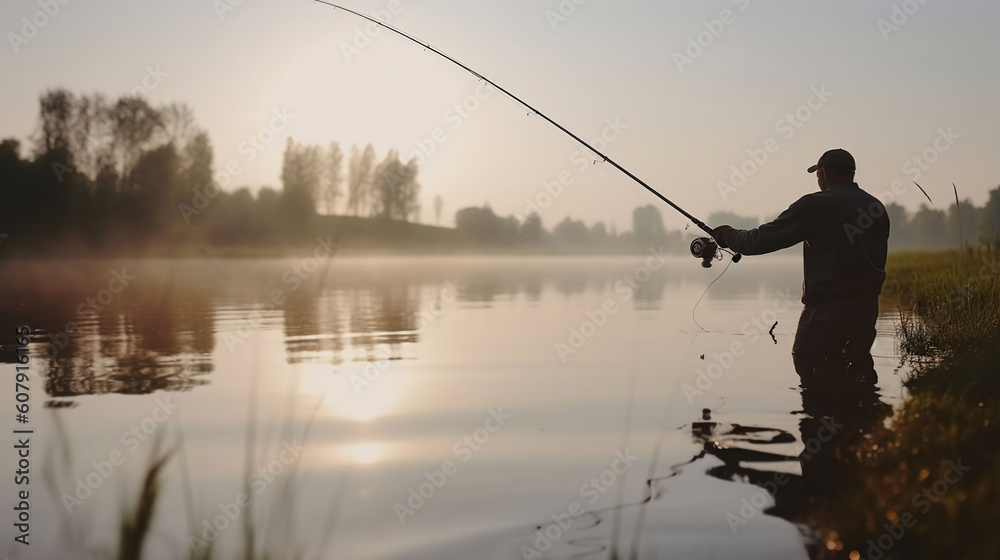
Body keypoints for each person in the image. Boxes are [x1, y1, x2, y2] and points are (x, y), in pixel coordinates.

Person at [711, 148, 890, 384]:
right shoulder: (876, 207)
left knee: (810, 369)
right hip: (866, 312)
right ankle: (858, 416)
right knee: (859, 376)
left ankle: (820, 418)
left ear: (824, 173)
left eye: (817, 174)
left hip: (826, 314)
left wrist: (725, 235)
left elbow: (759, 241)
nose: (818, 180)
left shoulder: (815, 205)